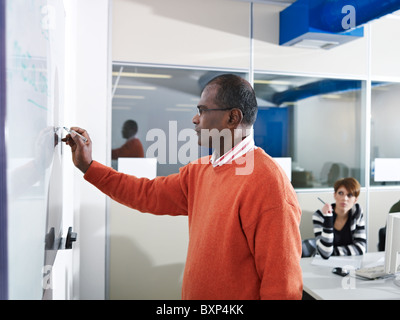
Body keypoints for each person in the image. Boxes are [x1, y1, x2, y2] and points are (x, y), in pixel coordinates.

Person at [62, 74, 303, 300]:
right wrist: (89, 166)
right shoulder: (199, 171)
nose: (195, 118)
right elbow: (145, 194)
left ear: (232, 118)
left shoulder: (269, 184)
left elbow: (283, 287)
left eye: (202, 110)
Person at [313, 177, 366, 259]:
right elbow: (325, 253)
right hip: (323, 264)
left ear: (355, 200)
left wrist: (333, 253)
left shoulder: (357, 212)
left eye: (350, 195)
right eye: (341, 193)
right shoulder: (320, 216)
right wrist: (328, 218)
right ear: (335, 195)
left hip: (349, 263)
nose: (344, 198)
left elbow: (361, 247)